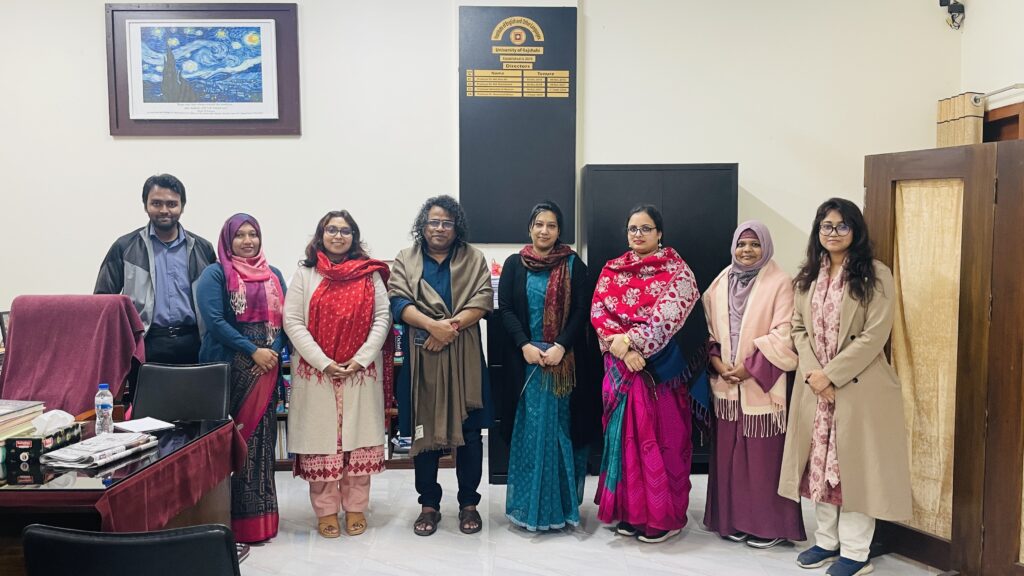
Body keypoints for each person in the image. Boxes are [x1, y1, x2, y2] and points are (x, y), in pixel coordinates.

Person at [778, 198, 912, 576]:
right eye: (826, 226)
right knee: (818, 466)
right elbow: (798, 329)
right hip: (815, 388)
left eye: (841, 226)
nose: (833, 233)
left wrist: (831, 375)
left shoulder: (875, 274)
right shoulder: (808, 276)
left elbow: (874, 335)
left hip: (858, 387)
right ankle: (826, 541)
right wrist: (813, 374)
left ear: (856, 230)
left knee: (856, 470)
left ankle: (855, 551)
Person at [590, 204, 700, 544]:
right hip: (621, 366)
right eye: (633, 228)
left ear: (659, 233)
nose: (638, 234)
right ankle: (631, 513)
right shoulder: (612, 269)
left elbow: (666, 319)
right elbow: (598, 311)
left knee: (663, 441)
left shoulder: (678, 271)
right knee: (623, 442)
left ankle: (664, 519)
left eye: (646, 228)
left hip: (661, 371)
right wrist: (624, 350)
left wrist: (631, 343)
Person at [388, 195, 493, 537]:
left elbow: (482, 300)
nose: (439, 228)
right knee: (425, 430)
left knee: (470, 434)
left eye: (447, 222)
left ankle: (469, 504)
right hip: (422, 355)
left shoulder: (473, 258)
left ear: (456, 227)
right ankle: (429, 505)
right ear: (423, 225)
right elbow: (398, 301)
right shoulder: (406, 259)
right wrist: (432, 327)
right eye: (433, 222)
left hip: (464, 356)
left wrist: (449, 329)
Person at [283, 211, 392, 539]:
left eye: (345, 231)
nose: (338, 235)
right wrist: (323, 362)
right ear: (321, 235)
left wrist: (360, 359)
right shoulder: (306, 274)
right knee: (321, 445)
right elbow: (292, 320)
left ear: (354, 237)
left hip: (360, 373)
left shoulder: (368, 274)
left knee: (358, 444)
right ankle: (326, 511)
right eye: (332, 229)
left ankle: (356, 507)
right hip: (317, 374)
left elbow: (383, 317)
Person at [701, 221, 805, 549]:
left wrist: (748, 369)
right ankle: (730, 521)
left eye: (755, 244)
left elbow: (785, 333)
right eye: (742, 244)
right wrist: (718, 363)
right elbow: (707, 330)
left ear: (766, 247)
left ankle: (767, 526)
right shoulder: (720, 282)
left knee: (762, 461)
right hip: (727, 384)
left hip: (761, 384)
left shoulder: (780, 282)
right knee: (728, 458)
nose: (747, 251)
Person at [498, 200, 596, 532]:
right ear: (530, 228)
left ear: (559, 230)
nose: (544, 230)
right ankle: (528, 509)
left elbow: (582, 311)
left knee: (559, 434)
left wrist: (561, 346)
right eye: (539, 224)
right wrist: (524, 345)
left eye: (551, 225)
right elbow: (506, 309)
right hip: (526, 362)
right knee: (529, 435)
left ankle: (561, 510)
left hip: (562, 364)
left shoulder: (573, 264)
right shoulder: (515, 264)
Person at [196, 213, 287, 544]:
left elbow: (286, 320)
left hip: (267, 369)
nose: (248, 241)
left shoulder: (274, 275)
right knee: (229, 445)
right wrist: (253, 351)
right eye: (240, 235)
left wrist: (272, 353)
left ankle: (259, 523)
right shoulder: (215, 274)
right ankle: (222, 522)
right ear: (228, 240)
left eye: (253, 234)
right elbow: (215, 321)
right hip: (228, 368)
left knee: (262, 445)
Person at [95, 173, 216, 365]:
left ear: (182, 206)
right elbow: (102, 301)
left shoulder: (203, 249)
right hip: (144, 344)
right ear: (145, 205)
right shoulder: (124, 247)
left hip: (195, 343)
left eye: (172, 204)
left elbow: (215, 300)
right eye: (156, 203)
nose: (164, 210)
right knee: (143, 388)